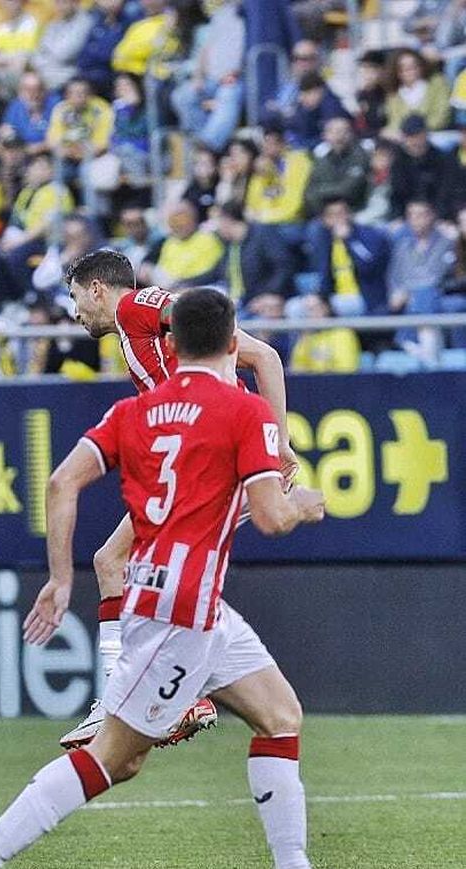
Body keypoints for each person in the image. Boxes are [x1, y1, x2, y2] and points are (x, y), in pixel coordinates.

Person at [0, 288, 385, 869]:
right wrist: (305, 505)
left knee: (280, 714)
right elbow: (270, 513)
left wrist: (62, 579)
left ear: (169, 345)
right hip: (181, 614)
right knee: (115, 760)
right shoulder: (247, 411)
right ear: (235, 343)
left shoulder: (135, 411)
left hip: (182, 601)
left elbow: (62, 482)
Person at [56, 248, 295, 750]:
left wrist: (273, 444)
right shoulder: (140, 333)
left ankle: (125, 698)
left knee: (123, 564)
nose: (75, 312)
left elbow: (189, 312)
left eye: (76, 297)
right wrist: (276, 442)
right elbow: (265, 357)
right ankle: (177, 694)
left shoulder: (133, 308)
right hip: (218, 462)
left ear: (97, 288)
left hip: (209, 462)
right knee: (134, 567)